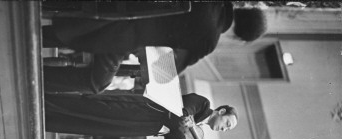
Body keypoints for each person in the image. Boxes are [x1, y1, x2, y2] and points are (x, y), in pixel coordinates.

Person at [43, 2, 267, 94]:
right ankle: (37, 77)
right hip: (118, 36)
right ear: (240, 37)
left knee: (85, 31)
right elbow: (163, 72)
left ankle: (43, 34)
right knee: (97, 83)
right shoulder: (209, 40)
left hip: (116, 7)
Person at [44, 93, 238, 139]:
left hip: (140, 127)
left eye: (228, 129)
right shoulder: (203, 104)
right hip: (141, 112)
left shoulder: (199, 130)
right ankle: (43, 101)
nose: (225, 129)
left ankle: (47, 121)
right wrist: (181, 137)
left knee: (92, 126)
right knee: (92, 109)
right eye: (227, 123)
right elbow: (176, 114)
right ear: (221, 112)